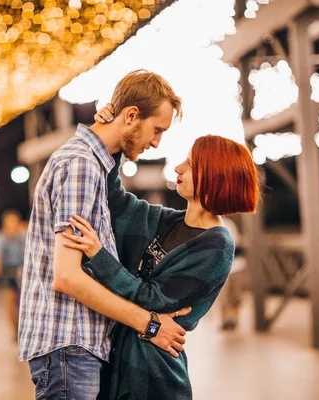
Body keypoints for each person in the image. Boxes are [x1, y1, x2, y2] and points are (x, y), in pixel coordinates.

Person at [63, 105, 261, 400]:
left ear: (214, 176)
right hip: (124, 356)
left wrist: (98, 255)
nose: (179, 169)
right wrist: (112, 134)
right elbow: (115, 200)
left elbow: (153, 298)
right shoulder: (168, 221)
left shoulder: (217, 246)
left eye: (191, 165)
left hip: (153, 371)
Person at [18, 70, 190, 400]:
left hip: (73, 348)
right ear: (131, 116)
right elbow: (67, 277)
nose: (156, 142)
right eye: (157, 130)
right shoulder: (82, 164)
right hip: (69, 345)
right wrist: (150, 325)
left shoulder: (93, 163)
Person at [0, 209, 26, 338]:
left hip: (22, 270)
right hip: (7, 271)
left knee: (23, 301)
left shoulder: (23, 235)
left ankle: (23, 327)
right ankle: (14, 330)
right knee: (9, 302)